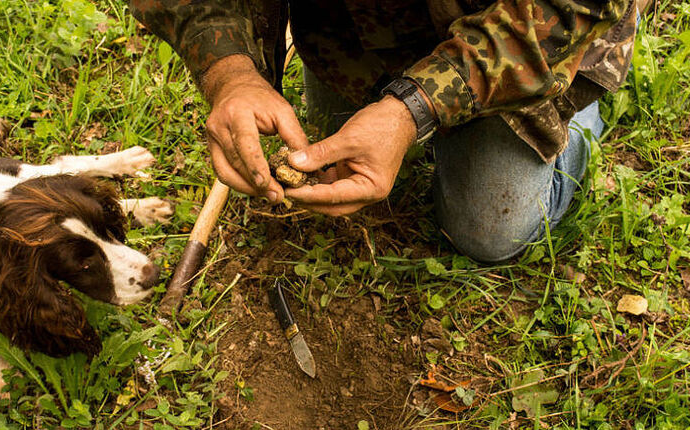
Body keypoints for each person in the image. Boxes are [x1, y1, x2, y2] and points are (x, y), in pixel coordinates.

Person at [128, 0, 636, 262]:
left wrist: (408, 112)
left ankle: (578, 113)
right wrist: (230, 74)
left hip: (527, 28)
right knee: (329, 135)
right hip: (355, 21)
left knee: (489, 233)